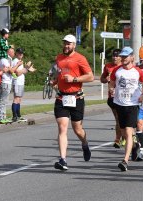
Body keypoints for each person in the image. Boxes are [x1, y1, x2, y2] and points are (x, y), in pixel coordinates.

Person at [53, 34, 94, 171]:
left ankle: (85, 143)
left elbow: (90, 77)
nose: (66, 46)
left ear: (74, 45)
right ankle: (63, 160)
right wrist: (55, 81)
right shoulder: (59, 58)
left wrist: (74, 80)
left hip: (76, 98)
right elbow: (59, 73)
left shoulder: (80, 58)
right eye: (65, 43)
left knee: (78, 130)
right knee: (62, 127)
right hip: (61, 98)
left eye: (69, 44)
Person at [109, 46, 143, 171]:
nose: (123, 58)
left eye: (126, 56)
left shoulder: (137, 71)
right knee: (124, 132)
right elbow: (112, 81)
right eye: (122, 56)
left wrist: (142, 94)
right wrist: (111, 88)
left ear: (132, 57)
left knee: (129, 131)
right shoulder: (117, 70)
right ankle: (135, 145)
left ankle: (125, 160)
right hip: (119, 103)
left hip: (132, 103)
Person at [100, 48, 124, 149]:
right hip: (112, 97)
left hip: (124, 97)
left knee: (123, 120)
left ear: (121, 58)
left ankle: (126, 136)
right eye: (113, 55)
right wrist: (106, 79)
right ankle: (118, 139)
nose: (115, 57)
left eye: (117, 56)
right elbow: (102, 79)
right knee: (118, 119)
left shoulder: (124, 67)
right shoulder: (108, 66)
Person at [0, 47, 22, 124]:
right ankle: (1, 117)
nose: (13, 53)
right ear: (8, 52)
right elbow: (11, 71)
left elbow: (10, 70)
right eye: (12, 52)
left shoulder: (9, 60)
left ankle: (3, 116)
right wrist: (17, 65)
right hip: (5, 82)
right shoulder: (4, 60)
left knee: (5, 101)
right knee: (3, 101)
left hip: (8, 82)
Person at [11, 48, 33, 122]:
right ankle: (14, 116)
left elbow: (23, 72)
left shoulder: (20, 61)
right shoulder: (15, 61)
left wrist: (27, 69)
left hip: (21, 82)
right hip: (17, 82)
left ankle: (18, 115)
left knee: (19, 99)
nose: (21, 54)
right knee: (16, 99)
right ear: (16, 53)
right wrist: (26, 68)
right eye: (19, 53)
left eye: (22, 53)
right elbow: (18, 73)